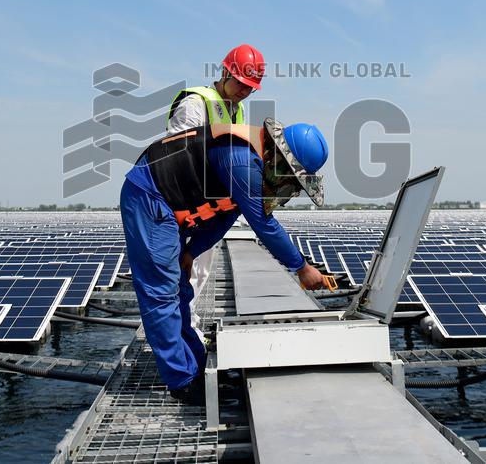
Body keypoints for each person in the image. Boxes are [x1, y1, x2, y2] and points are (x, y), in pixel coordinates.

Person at [120, 118, 329, 404]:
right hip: (150, 196)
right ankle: (182, 382)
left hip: (169, 204)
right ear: (277, 156)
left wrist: (191, 252)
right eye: (288, 176)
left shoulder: (250, 161)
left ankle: (195, 364)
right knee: (161, 292)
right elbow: (264, 224)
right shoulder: (241, 160)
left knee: (180, 291)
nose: (285, 184)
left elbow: (223, 218)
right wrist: (302, 268)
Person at [165, 44, 265, 337]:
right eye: (241, 84)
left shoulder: (238, 108)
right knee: (179, 271)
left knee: (200, 268)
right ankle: (179, 331)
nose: (245, 92)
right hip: (183, 202)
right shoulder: (196, 103)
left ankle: (189, 324)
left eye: (251, 88)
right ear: (225, 73)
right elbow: (175, 154)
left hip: (211, 203)